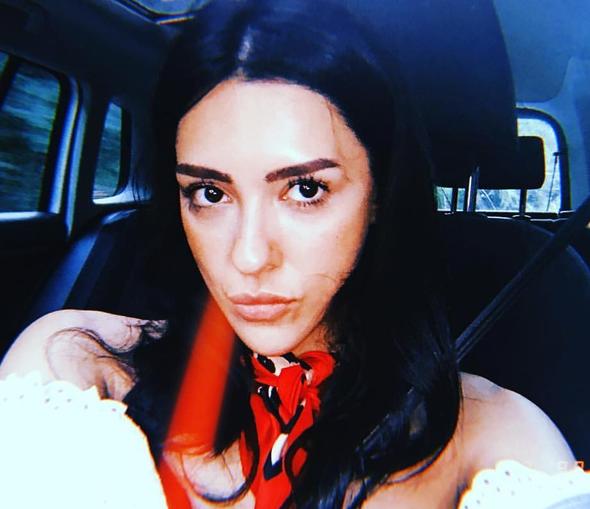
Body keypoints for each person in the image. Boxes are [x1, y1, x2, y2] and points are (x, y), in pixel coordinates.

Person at [0, 0, 588, 508]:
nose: (249, 256)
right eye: (210, 193)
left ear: (379, 193)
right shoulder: (74, 365)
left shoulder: (497, 440)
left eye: (305, 189)